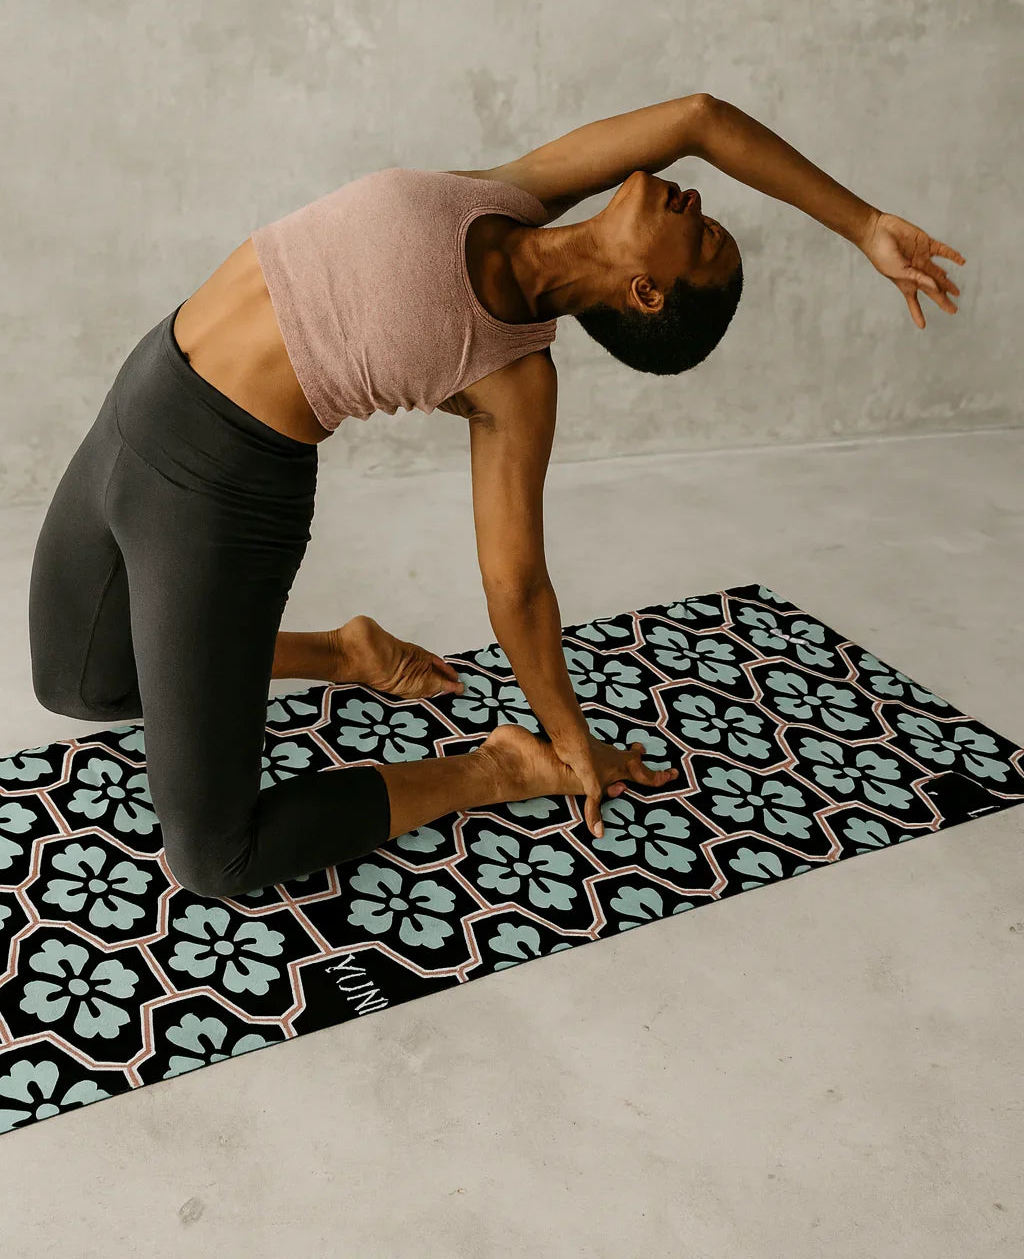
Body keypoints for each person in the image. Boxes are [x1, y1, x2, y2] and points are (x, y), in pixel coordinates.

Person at [27, 92, 965, 898]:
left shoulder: (514, 378)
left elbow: (517, 585)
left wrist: (566, 740)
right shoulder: (511, 195)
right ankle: (346, 652)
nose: (697, 201)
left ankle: (490, 771)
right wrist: (862, 224)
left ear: (646, 292)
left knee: (214, 858)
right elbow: (698, 120)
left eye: (703, 237)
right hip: (143, 389)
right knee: (78, 684)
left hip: (218, 497)